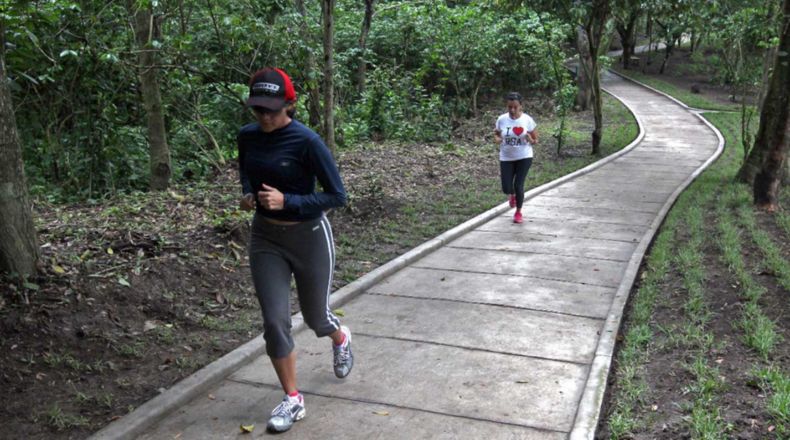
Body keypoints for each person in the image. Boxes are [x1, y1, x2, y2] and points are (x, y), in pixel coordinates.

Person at [237, 67, 353, 433]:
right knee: (275, 320)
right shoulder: (247, 137)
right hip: (265, 239)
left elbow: (337, 195)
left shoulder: (307, 141)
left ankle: (340, 336)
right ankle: (292, 398)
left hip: (309, 236)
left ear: (290, 104)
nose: (265, 117)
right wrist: (246, 194)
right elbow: (246, 173)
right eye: (259, 110)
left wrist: (288, 199)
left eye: (272, 109)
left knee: (316, 318)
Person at [494, 92, 538, 224]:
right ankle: (511, 195)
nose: (512, 110)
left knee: (518, 185)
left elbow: (536, 140)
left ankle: (518, 212)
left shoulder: (527, 120)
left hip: (524, 156)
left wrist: (531, 139)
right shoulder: (501, 119)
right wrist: (497, 139)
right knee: (506, 187)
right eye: (509, 107)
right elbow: (496, 134)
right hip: (506, 156)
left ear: (521, 106)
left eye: (515, 107)